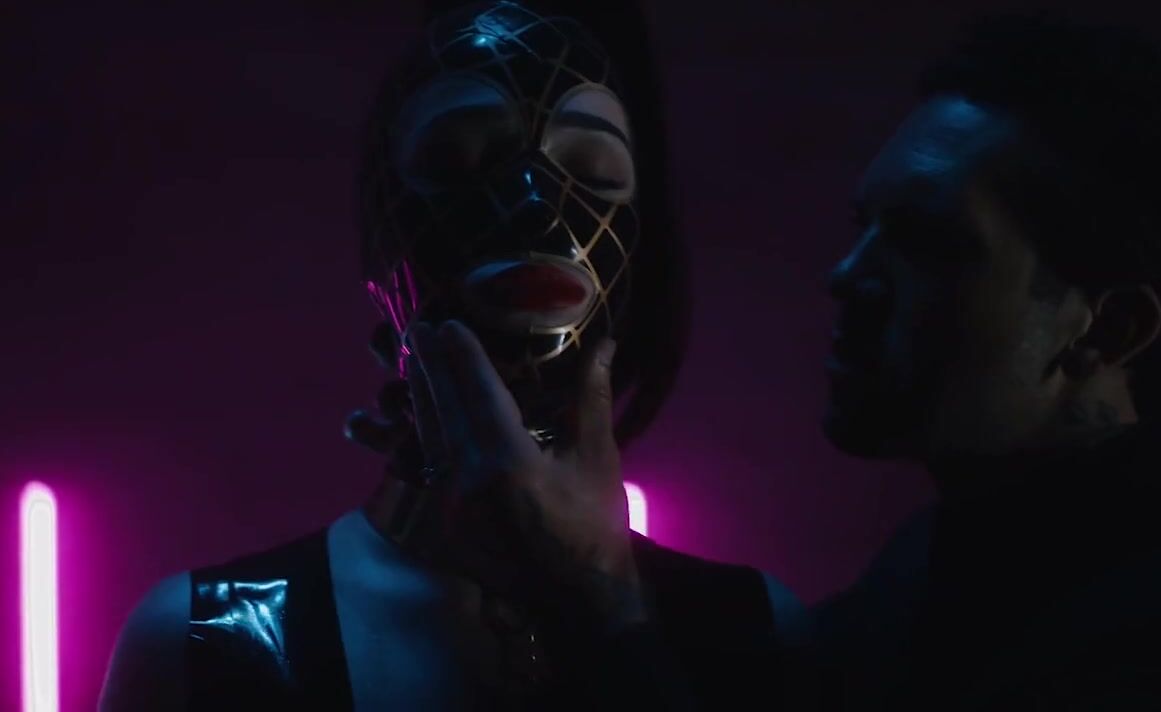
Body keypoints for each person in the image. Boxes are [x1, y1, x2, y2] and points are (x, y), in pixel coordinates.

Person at [98, 2, 806, 710]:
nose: (536, 204)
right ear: (382, 229)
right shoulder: (208, 644)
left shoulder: (758, 636)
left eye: (594, 170)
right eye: (460, 159)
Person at [482, 12, 1161, 710]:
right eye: (865, 228)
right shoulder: (938, 565)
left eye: (927, 243)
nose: (846, 275)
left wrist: (599, 599)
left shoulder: (1127, 630)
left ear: (1109, 330)